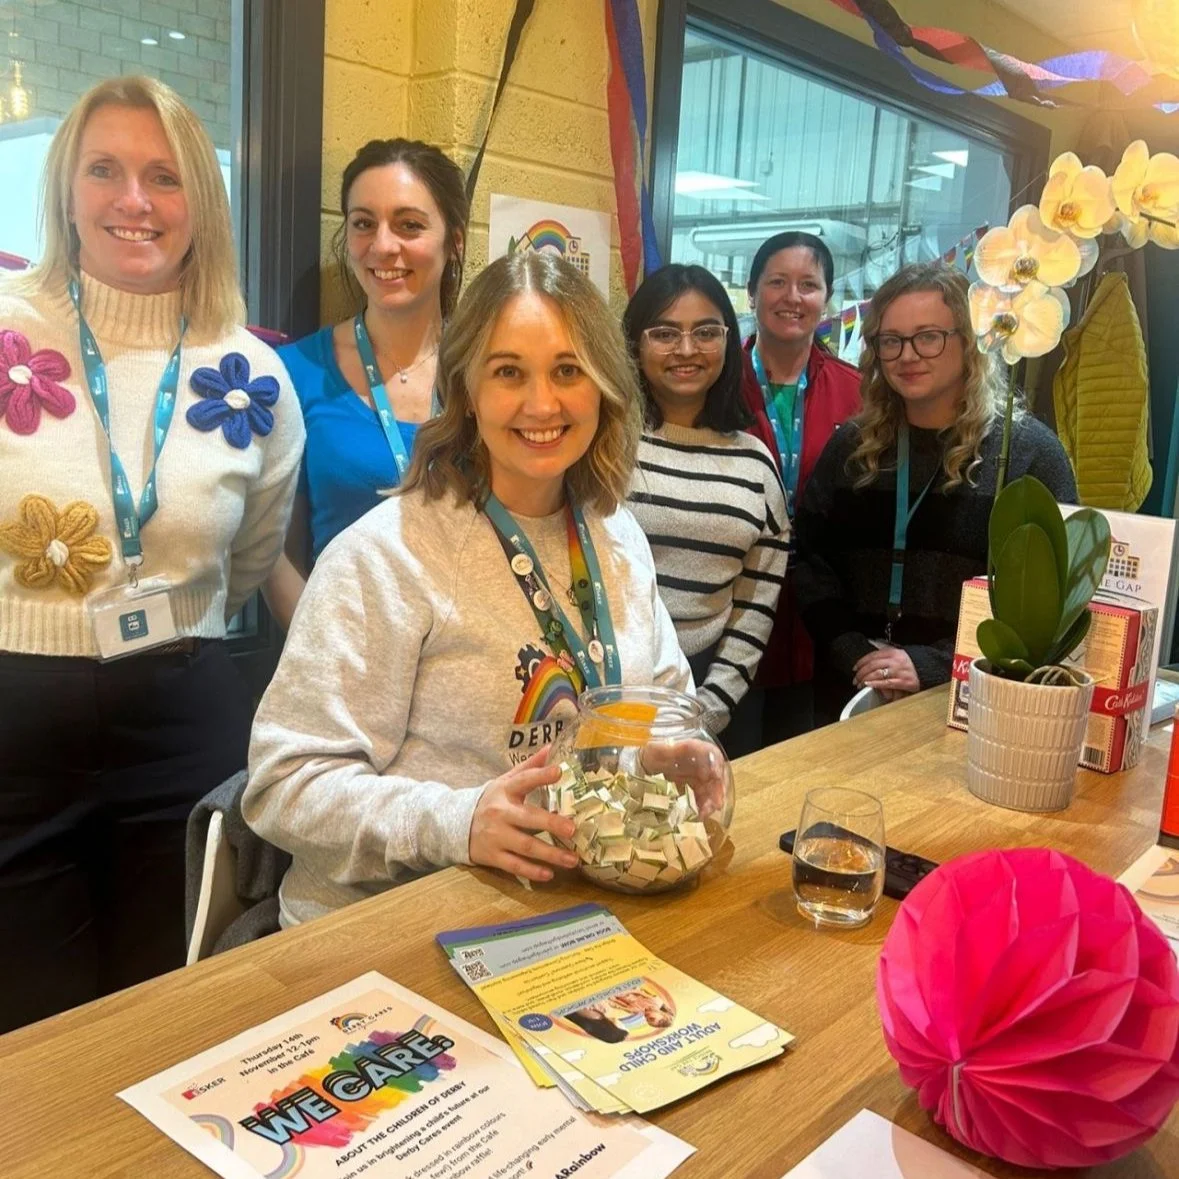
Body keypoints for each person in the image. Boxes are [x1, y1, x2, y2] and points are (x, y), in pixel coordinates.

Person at [243, 252, 695, 926]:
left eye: (567, 370)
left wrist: (672, 755)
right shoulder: (386, 554)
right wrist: (458, 821)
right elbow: (283, 785)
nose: (542, 404)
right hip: (387, 931)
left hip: (562, 914)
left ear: (603, 385)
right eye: (508, 371)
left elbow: (666, 701)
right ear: (465, 388)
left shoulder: (616, 533)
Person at [0, 76, 304, 1031]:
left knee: (170, 1012)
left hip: (182, 717)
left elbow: (249, 558)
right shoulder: (10, 329)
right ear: (65, 188)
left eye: (163, 176)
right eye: (105, 170)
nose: (133, 200)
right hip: (13, 722)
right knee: (28, 1024)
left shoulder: (250, 372)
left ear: (198, 203)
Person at [792, 262, 1078, 726]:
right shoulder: (854, 448)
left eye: (929, 336)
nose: (908, 355)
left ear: (969, 342)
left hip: (968, 704)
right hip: (851, 694)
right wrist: (853, 651)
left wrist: (935, 664)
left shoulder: (1025, 455)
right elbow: (807, 559)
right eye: (891, 340)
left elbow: (1047, 607)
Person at [265, 139, 468, 630]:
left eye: (409, 224)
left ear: (455, 240)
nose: (382, 246)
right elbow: (275, 552)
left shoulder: (488, 370)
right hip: (345, 660)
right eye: (363, 223)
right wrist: (325, 657)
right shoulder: (294, 373)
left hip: (473, 661)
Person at [623, 264, 788, 757]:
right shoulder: (602, 444)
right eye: (665, 333)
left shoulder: (755, 463)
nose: (687, 350)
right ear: (634, 343)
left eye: (706, 332)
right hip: (608, 683)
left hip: (710, 693)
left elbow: (757, 601)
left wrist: (705, 712)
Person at [742, 232, 861, 743]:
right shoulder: (717, 383)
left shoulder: (858, 391)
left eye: (808, 285)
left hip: (821, 612)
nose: (793, 297)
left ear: (826, 300)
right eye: (778, 282)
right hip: (736, 604)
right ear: (752, 293)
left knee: (803, 751)